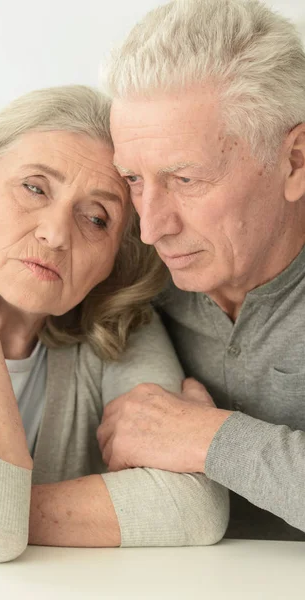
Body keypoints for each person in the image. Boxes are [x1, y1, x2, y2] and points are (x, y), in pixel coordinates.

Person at [0, 85, 228, 561]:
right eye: (34, 188)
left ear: (113, 261)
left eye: (97, 219)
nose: (55, 234)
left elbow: (197, 506)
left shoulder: (118, 328)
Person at [98, 0, 305, 541]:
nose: (152, 228)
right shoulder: (127, 261)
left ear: (296, 160)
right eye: (134, 180)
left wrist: (205, 438)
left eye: (185, 180)